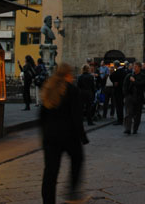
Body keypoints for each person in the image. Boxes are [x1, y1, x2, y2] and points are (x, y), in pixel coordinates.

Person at [40, 63, 89, 204]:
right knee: (77, 159)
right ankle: (72, 191)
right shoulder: (72, 90)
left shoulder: (48, 88)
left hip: (50, 136)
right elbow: (76, 116)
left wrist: (44, 135)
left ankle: (48, 201)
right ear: (68, 75)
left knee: (50, 172)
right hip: (69, 135)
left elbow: (42, 116)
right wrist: (82, 136)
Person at [122, 61, 145, 135]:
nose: (134, 68)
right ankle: (128, 128)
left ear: (139, 68)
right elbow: (124, 86)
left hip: (138, 97)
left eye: (136, 67)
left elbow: (143, 85)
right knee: (128, 113)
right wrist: (126, 95)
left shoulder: (142, 76)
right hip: (129, 96)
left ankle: (135, 128)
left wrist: (134, 81)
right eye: (134, 67)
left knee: (137, 114)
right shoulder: (129, 75)